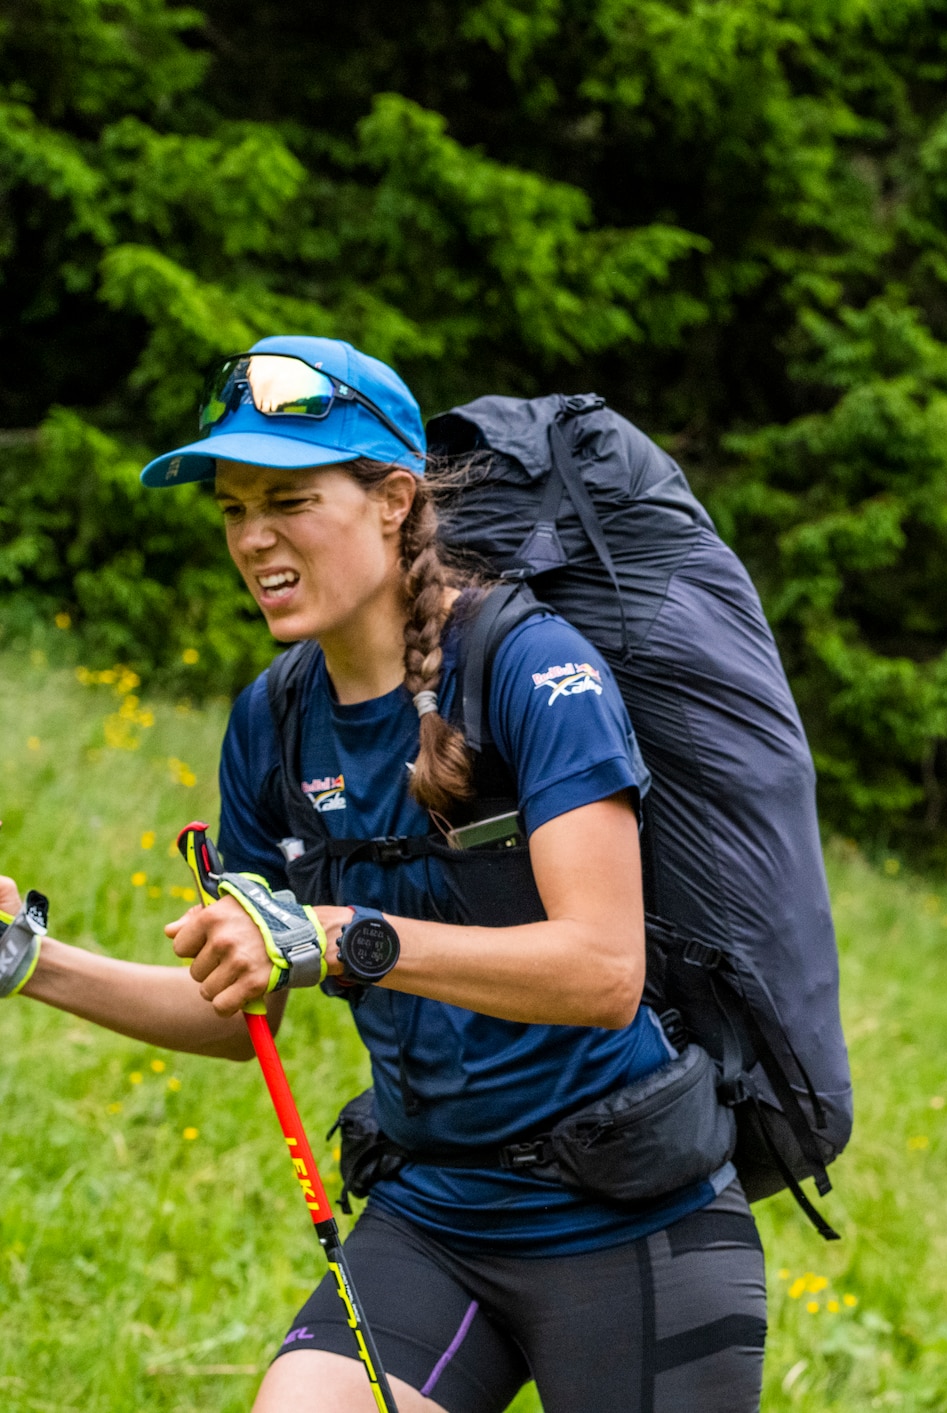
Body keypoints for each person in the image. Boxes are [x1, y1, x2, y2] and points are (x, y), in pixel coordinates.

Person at [0, 336, 766, 1413]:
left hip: (630, 1223)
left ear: (394, 499)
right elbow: (238, 1014)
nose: (253, 538)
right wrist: (30, 962)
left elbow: (602, 971)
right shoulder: (272, 720)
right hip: (434, 1214)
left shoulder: (533, 671)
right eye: (232, 508)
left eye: (288, 500)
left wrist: (347, 935)